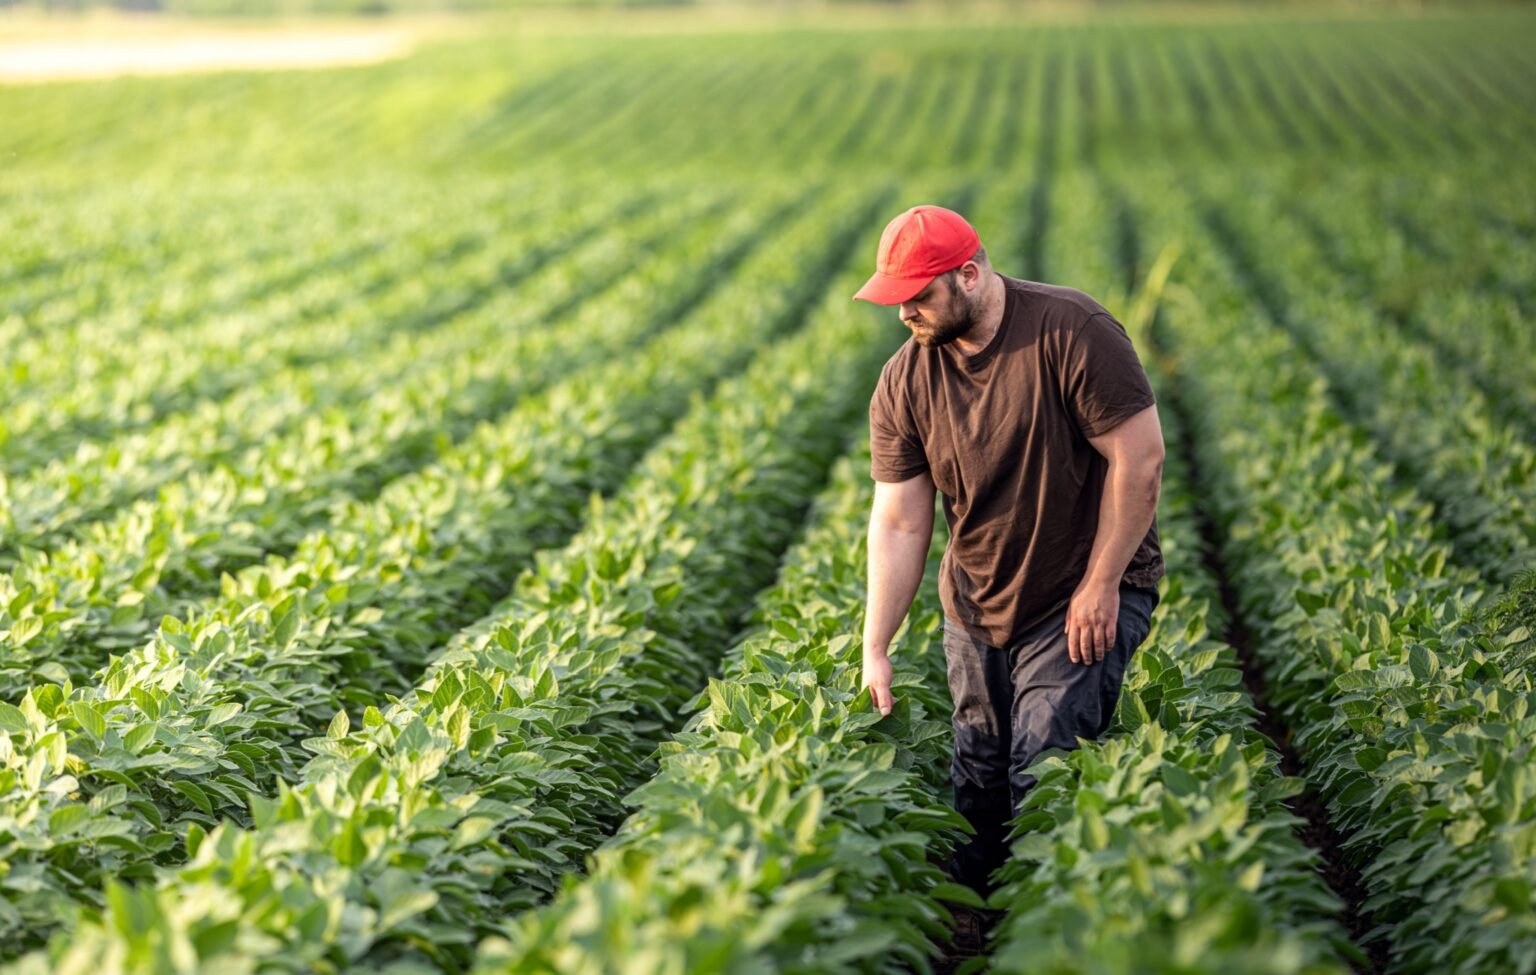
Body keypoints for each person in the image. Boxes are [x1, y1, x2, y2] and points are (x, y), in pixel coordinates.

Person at [853, 204, 1166, 901]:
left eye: (917, 295)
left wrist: (1101, 584)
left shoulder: (1071, 331)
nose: (904, 313)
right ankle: (979, 919)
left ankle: (1053, 921)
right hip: (977, 601)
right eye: (895, 299)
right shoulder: (905, 380)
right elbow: (900, 521)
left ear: (968, 275)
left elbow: (1140, 460)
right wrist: (877, 644)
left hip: (1077, 591)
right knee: (979, 772)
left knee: (1045, 767)